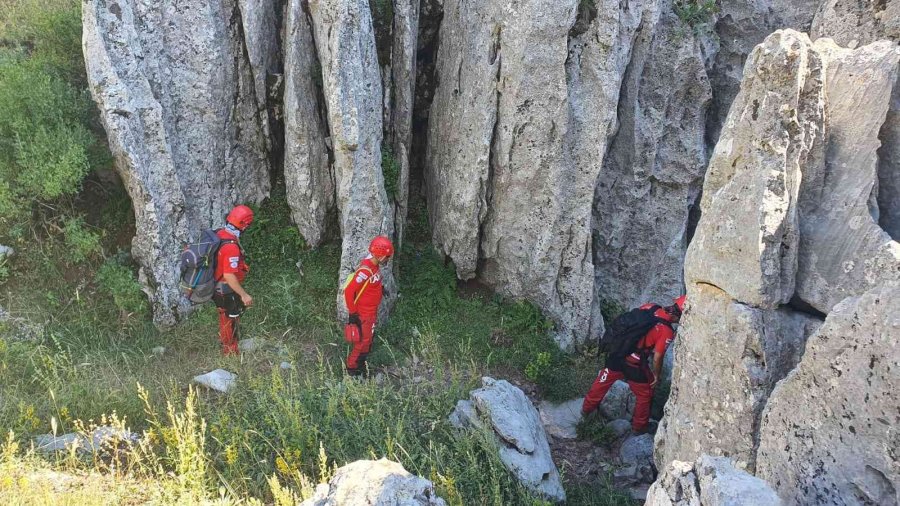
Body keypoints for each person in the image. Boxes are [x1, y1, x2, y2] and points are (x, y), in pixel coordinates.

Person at [581, 295, 686, 434]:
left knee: (603, 380)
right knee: (645, 393)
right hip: (634, 363)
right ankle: (639, 426)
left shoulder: (651, 307)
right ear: (680, 316)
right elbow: (657, 357)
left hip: (617, 353)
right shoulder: (666, 331)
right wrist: (656, 374)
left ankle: (587, 410)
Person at [343, 236, 394, 376]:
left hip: (371, 312)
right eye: (387, 257)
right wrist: (353, 313)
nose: (388, 259)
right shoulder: (365, 270)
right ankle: (352, 370)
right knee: (362, 342)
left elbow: (370, 284)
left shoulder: (374, 265)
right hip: (363, 313)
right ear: (380, 255)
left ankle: (361, 366)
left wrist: (380, 288)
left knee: (368, 339)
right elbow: (348, 291)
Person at [212, 205, 254, 356]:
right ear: (245, 224)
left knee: (226, 317)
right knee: (230, 319)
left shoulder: (219, 234)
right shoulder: (231, 247)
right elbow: (229, 275)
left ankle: (228, 346)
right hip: (225, 289)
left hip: (217, 286)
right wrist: (244, 295)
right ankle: (230, 352)